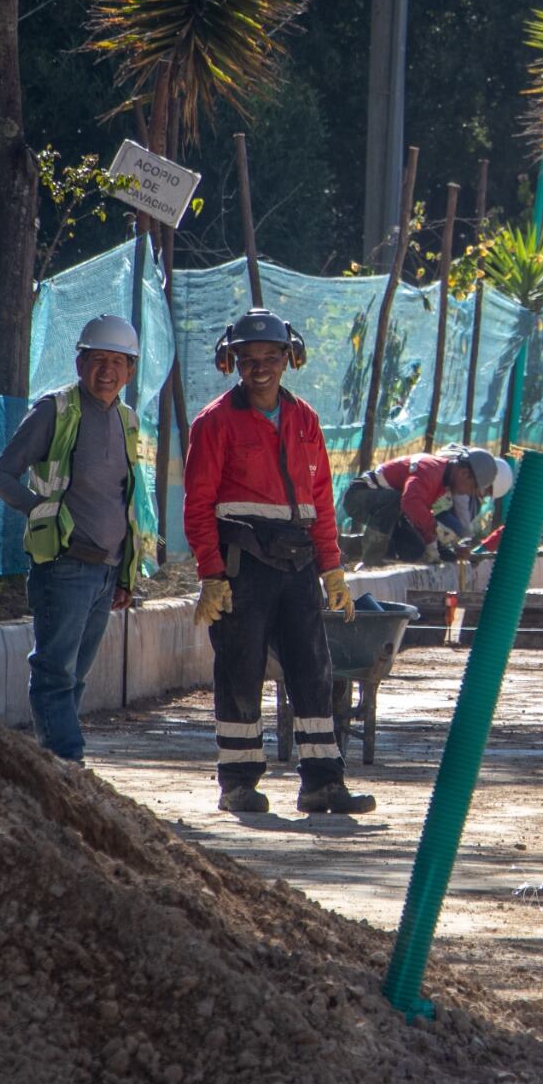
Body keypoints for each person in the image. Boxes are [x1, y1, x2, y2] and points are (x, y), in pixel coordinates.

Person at [183, 308, 371, 818]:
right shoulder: (215, 422)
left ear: (289, 358)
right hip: (243, 565)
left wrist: (332, 567)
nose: (260, 368)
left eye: (270, 357)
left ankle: (323, 784)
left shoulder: (305, 420)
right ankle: (239, 783)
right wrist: (211, 575)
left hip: (298, 563)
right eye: (248, 359)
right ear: (233, 362)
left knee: (313, 669)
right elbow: (198, 506)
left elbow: (322, 501)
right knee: (238, 670)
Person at [0, 314, 144, 764]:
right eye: (97, 360)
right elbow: (0, 475)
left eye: (117, 362)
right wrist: (40, 511)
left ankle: (56, 768)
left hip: (106, 571)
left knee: (75, 676)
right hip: (65, 563)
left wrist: (127, 572)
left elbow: (125, 500)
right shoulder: (56, 411)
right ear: (80, 363)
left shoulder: (127, 421)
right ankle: (68, 762)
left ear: (130, 371)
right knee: (55, 669)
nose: (107, 371)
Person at [344, 445, 511, 565]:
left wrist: (440, 550)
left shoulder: (444, 482)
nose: (468, 494)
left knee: (415, 549)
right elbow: (410, 502)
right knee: (396, 500)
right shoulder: (430, 469)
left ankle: (347, 547)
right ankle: (371, 559)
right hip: (360, 496)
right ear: (464, 473)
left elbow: (419, 516)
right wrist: (433, 527)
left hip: (389, 509)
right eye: (472, 488)